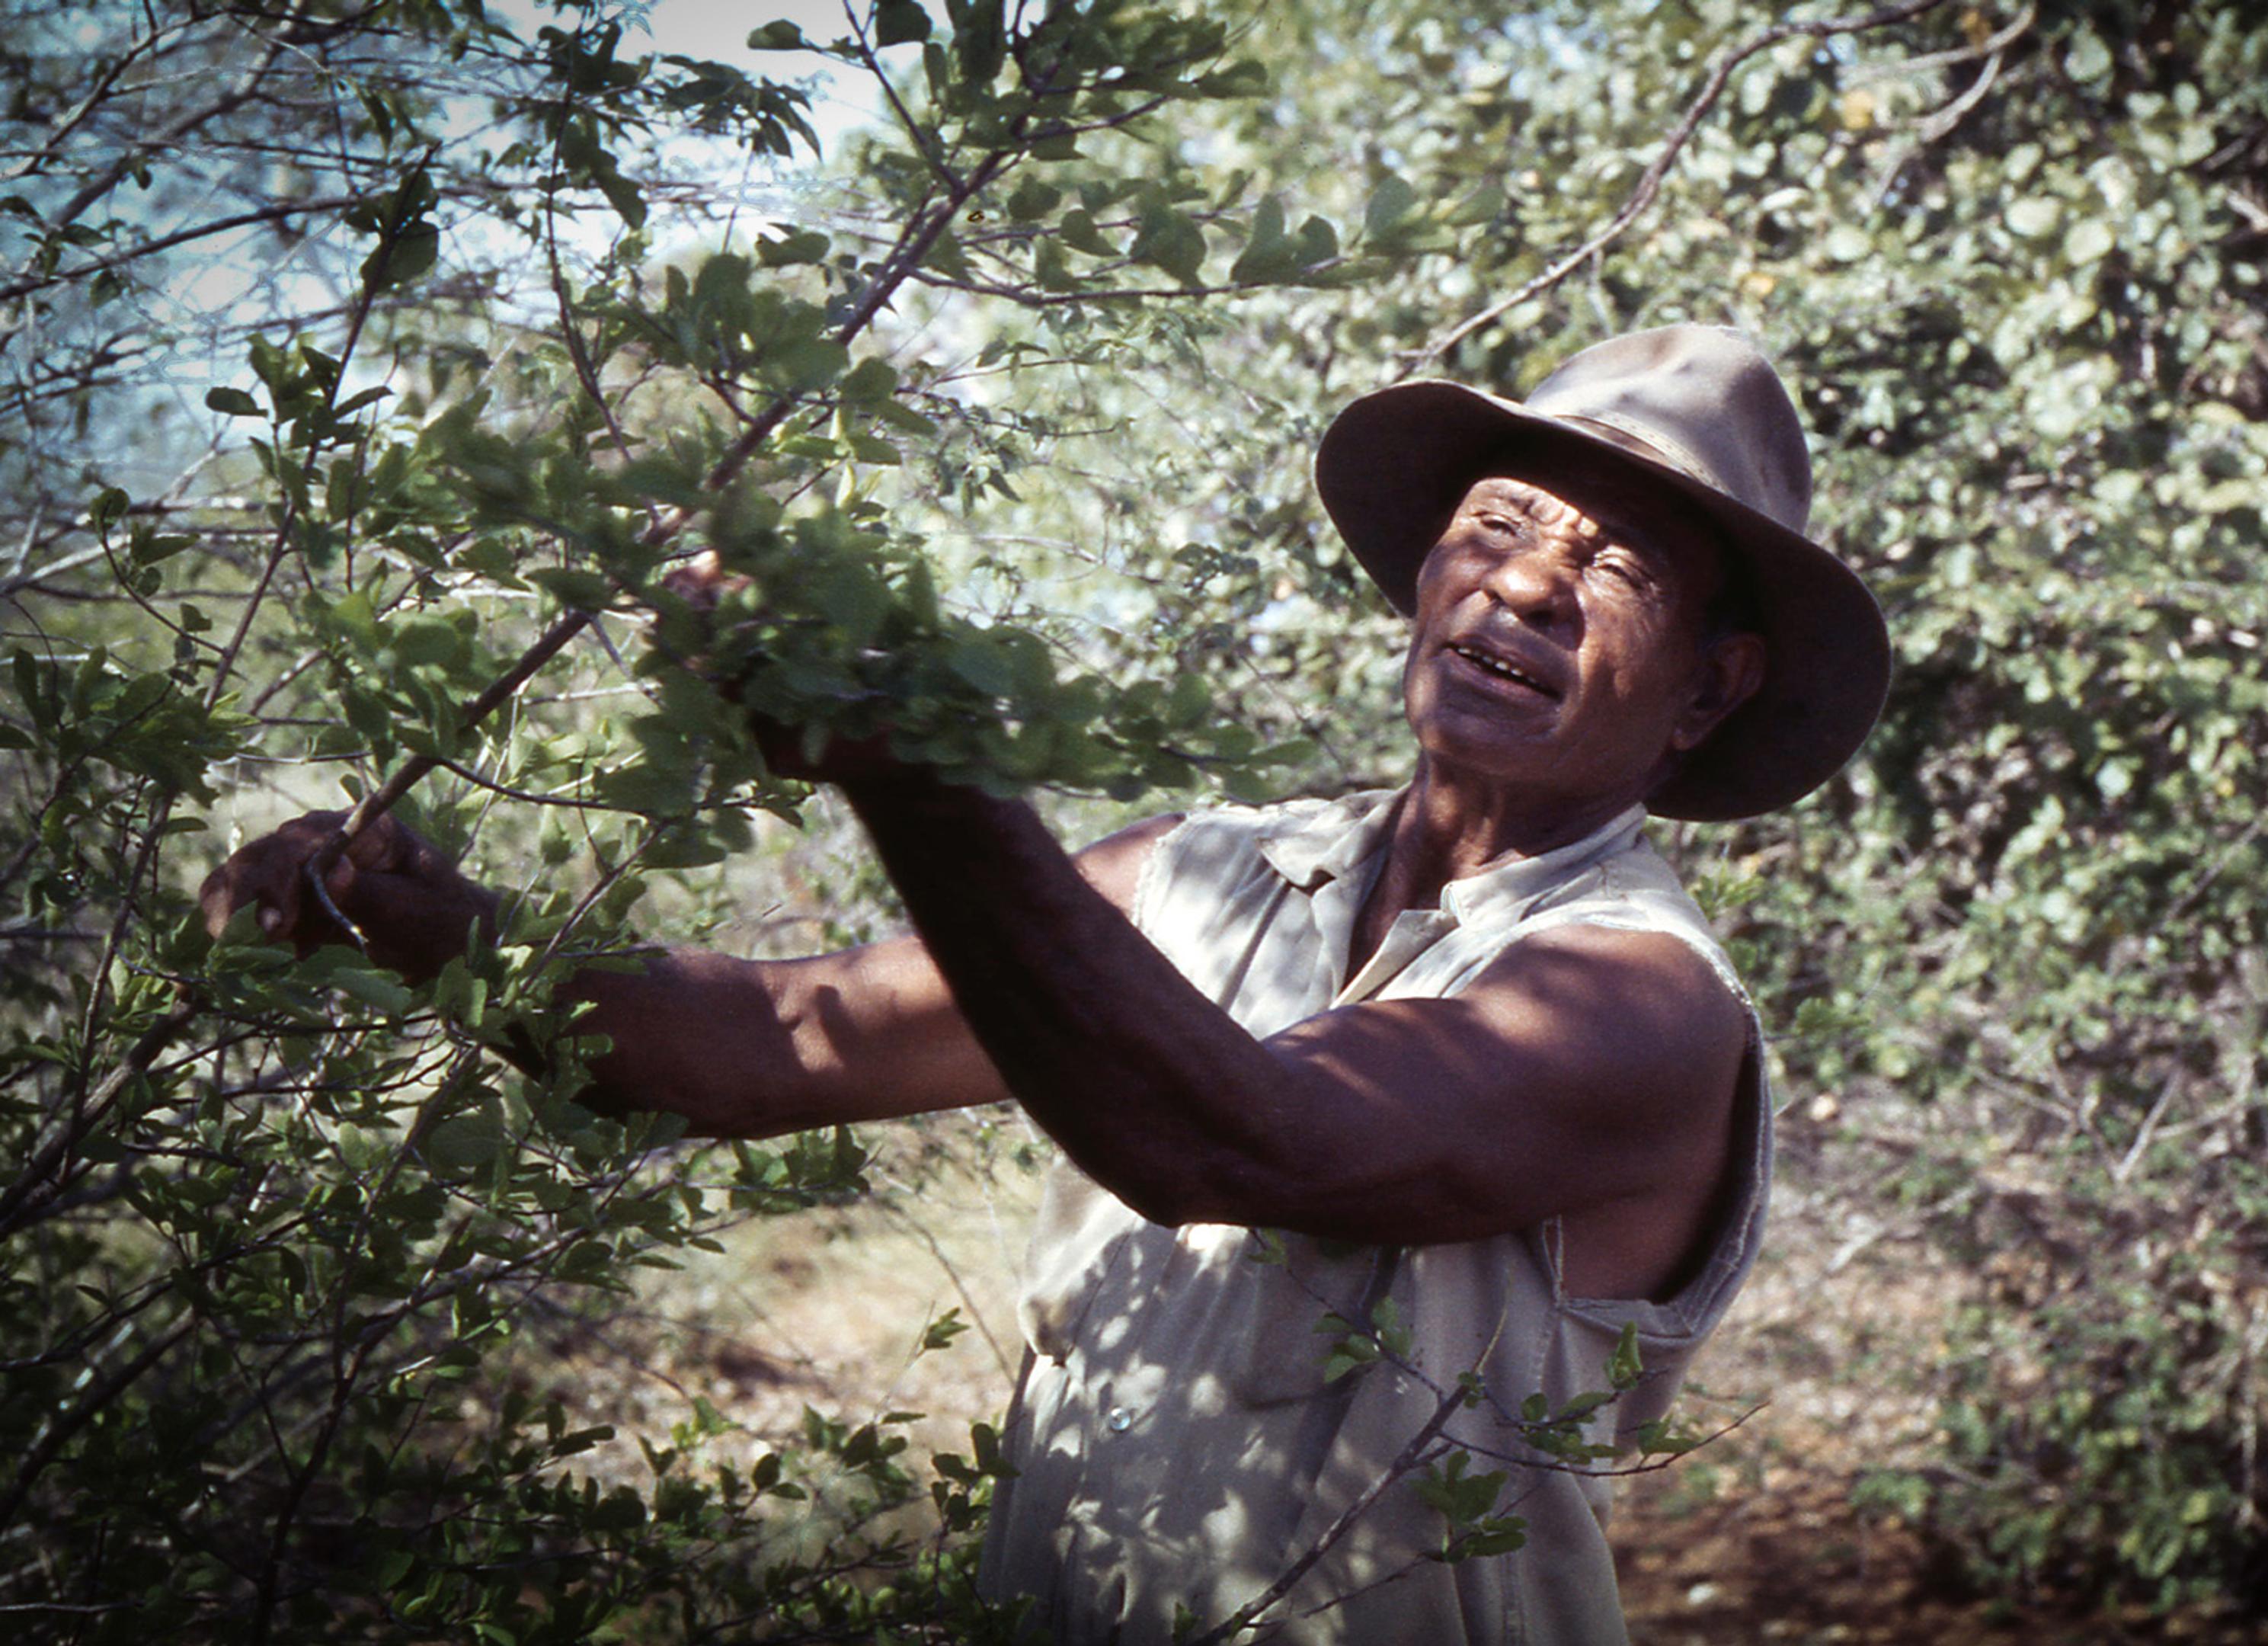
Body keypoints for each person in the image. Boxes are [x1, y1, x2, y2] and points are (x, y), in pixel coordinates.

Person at [202, 324, 1889, 1644]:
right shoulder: (1214, 870)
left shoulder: (1644, 1004)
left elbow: (1244, 1141)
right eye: (1501, 523)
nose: (1525, 578)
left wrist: (919, 767)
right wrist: (434, 934)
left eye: (1616, 566)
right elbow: (772, 1048)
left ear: (1707, 693)